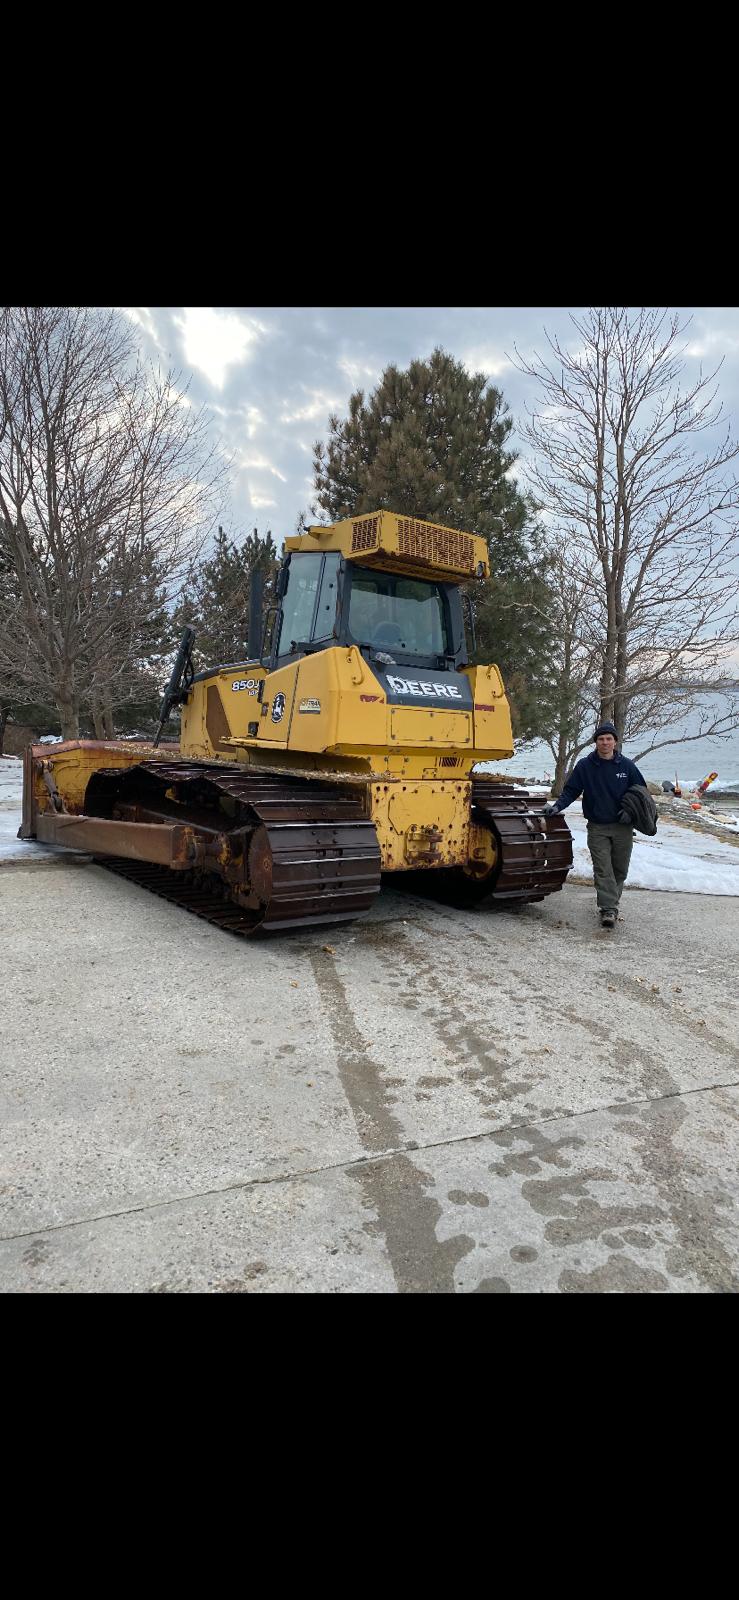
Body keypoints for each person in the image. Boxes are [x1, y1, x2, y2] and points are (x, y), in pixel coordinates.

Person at [545, 721, 648, 930]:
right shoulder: (585, 765)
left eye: (609, 739)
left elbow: (641, 792)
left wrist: (631, 813)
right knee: (603, 869)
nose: (605, 742)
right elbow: (571, 790)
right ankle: (608, 909)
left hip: (623, 827)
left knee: (620, 870)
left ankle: (611, 904)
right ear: (595, 743)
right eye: (601, 739)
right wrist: (557, 806)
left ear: (615, 742)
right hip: (597, 826)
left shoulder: (627, 766)